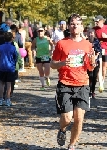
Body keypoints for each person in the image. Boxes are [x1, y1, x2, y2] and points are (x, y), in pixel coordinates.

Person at [50, 14, 96, 150]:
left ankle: (71, 145)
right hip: (65, 84)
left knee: (79, 118)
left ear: (82, 27)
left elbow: (89, 67)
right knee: (67, 118)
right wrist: (63, 63)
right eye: (72, 23)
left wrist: (93, 64)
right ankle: (62, 129)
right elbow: (52, 64)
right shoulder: (61, 43)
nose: (75, 26)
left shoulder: (88, 45)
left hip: (82, 84)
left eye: (77, 24)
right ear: (68, 26)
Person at [0, 32, 18, 106]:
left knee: (1, 83)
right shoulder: (13, 47)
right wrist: (14, 64)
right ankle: (8, 99)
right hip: (10, 67)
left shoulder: (0, 47)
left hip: (2, 66)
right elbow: (16, 57)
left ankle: (0, 99)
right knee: (9, 84)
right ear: (11, 38)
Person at [87, 29, 103, 98]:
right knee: (89, 76)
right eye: (89, 33)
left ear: (94, 34)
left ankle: (92, 91)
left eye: (92, 33)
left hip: (95, 61)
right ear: (87, 34)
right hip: (87, 62)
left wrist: (95, 56)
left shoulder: (97, 41)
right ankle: (88, 91)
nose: (90, 34)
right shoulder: (85, 41)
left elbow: (99, 51)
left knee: (94, 77)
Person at [93, 15, 107, 88]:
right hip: (97, 50)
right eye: (95, 21)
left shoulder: (106, 27)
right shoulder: (94, 29)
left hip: (106, 50)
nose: (96, 23)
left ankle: (102, 80)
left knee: (104, 67)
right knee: (98, 66)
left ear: (102, 21)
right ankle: (99, 81)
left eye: (97, 21)